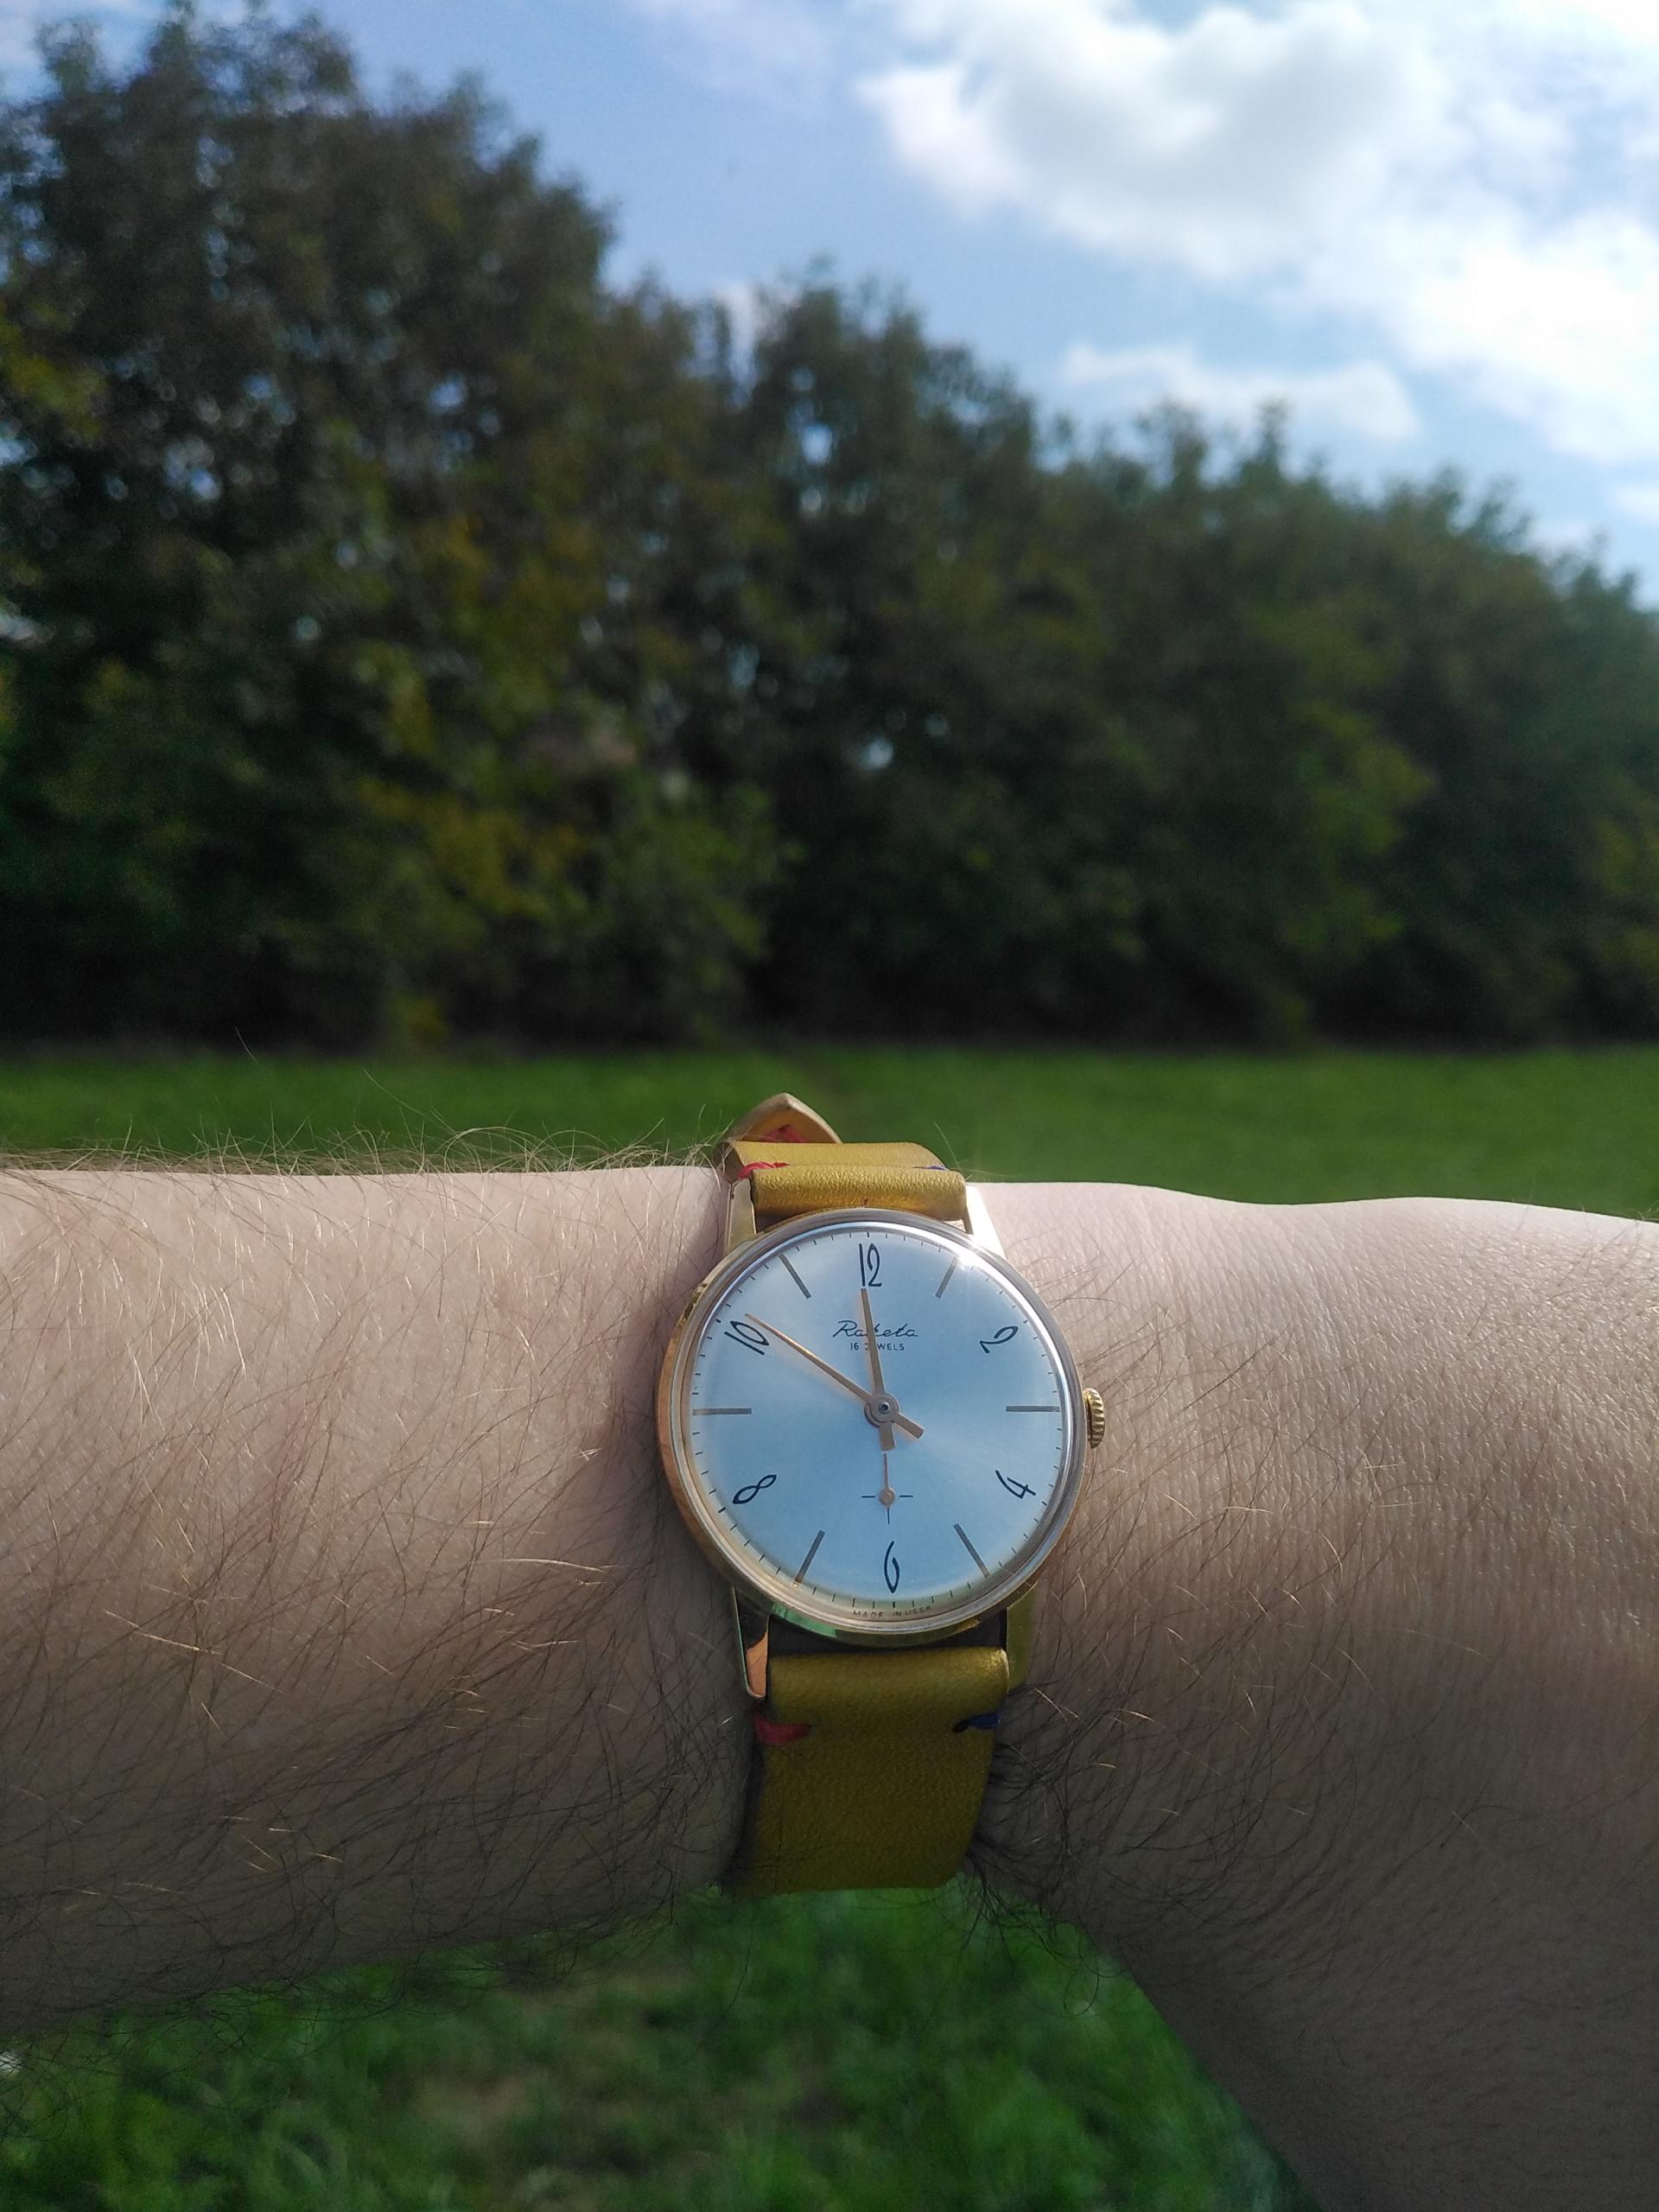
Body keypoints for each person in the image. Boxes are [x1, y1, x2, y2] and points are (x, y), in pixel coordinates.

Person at [0, 1160, 1654, 2209]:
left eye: (897, 1400)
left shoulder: (997, 1399)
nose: (881, 1412)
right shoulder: (744, 1370)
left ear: (1077, 1421)